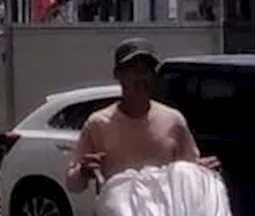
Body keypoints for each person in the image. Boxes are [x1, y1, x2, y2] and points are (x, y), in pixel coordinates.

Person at [66, 39, 219, 193]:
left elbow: (189, 173)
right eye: (133, 69)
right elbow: (73, 184)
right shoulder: (98, 124)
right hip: (117, 213)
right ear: (117, 74)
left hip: (163, 214)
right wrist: (83, 172)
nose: (141, 77)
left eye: (147, 69)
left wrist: (202, 171)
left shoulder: (173, 120)